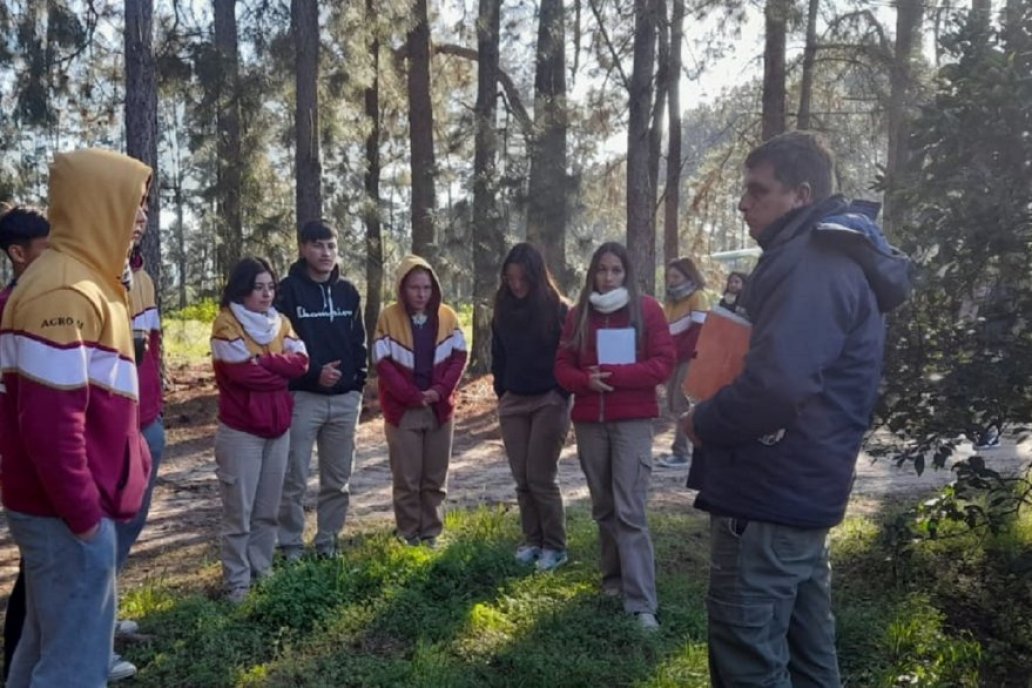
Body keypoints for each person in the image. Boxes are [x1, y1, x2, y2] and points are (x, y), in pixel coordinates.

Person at [681, 131, 912, 686]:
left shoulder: (809, 261)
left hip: (767, 496)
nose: (743, 203)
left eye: (758, 191)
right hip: (797, 495)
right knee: (809, 657)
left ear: (801, 195)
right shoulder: (827, 255)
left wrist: (703, 422)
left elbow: (778, 387)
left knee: (750, 660)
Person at [0, 149, 153, 687]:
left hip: (69, 512)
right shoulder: (63, 289)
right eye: (134, 203)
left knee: (43, 651)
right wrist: (86, 518)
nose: (141, 216)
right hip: (66, 516)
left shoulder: (88, 280)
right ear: (98, 203)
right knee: (75, 670)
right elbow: (49, 426)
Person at [554, 241, 675, 631]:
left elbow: (663, 364)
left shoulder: (648, 310)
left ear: (627, 274)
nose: (608, 278)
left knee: (630, 510)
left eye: (616, 270)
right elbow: (561, 366)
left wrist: (615, 376)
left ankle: (641, 603)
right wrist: (584, 380)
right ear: (593, 273)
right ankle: (613, 583)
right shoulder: (579, 315)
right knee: (604, 507)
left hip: (632, 423)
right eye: (602, 270)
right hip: (590, 421)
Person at [210, 257, 308, 603]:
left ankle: (261, 572)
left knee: (268, 509)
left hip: (277, 428)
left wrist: (265, 361)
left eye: (270, 287)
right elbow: (241, 373)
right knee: (240, 511)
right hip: (241, 432)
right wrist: (277, 370)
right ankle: (237, 582)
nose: (266, 294)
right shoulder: (226, 324)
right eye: (258, 287)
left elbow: (301, 363)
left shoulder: (280, 322)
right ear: (242, 289)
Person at [276, 219, 367, 561]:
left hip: (345, 400)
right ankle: (291, 546)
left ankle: (328, 542)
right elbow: (281, 343)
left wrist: (357, 383)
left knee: (337, 479)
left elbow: (359, 342)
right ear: (302, 248)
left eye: (330, 246)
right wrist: (313, 373)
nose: (325, 253)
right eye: (317, 246)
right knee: (293, 478)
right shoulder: (287, 291)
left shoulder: (348, 291)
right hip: (302, 397)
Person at [373, 255, 467, 547]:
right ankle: (408, 533)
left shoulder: (448, 316)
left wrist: (440, 390)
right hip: (403, 410)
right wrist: (411, 395)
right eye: (414, 287)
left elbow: (459, 356)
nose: (421, 294)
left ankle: (431, 533)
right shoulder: (388, 317)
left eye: (426, 287)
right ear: (402, 288)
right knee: (407, 478)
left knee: (435, 477)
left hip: (439, 408)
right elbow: (382, 361)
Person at [491, 243, 571, 571]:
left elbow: (569, 353)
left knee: (540, 475)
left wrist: (561, 392)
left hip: (549, 399)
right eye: (510, 278)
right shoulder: (502, 306)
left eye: (522, 278)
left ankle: (555, 545)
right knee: (522, 477)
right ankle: (532, 541)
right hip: (513, 400)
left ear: (537, 276)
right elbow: (498, 352)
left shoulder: (559, 308)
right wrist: (502, 388)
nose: (517, 285)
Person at [112, 192, 166, 640]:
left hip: (147, 422)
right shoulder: (90, 275)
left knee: (128, 526)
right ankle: (92, 634)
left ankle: (104, 619)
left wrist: (157, 408)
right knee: (97, 534)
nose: (143, 217)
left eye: (146, 208)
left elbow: (153, 349)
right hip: (109, 428)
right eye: (134, 207)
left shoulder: (142, 276)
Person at [0, 204, 49, 683]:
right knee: (36, 573)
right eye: (44, 250)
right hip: (26, 465)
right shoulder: (11, 309)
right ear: (17, 253)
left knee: (39, 576)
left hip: (42, 462)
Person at [656, 257, 709, 469]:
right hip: (673, 359)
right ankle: (680, 450)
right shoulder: (670, 302)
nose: (672, 281)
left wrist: (678, 354)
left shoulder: (698, 297)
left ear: (689, 276)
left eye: (676, 276)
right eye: (669, 277)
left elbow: (699, 332)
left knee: (680, 403)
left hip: (689, 359)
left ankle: (682, 452)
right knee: (672, 403)